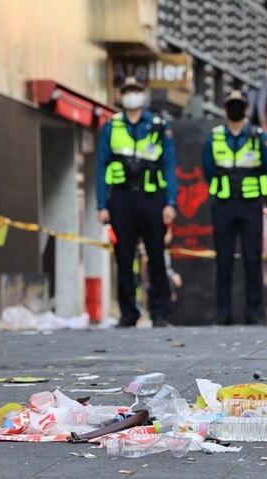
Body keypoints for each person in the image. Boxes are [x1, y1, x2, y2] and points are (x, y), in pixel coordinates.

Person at [96, 76, 178, 328]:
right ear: (122, 96)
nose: (132, 95)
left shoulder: (157, 125)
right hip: (121, 199)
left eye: (137, 90)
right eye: (128, 90)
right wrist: (102, 205)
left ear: (144, 95)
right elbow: (101, 167)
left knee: (156, 256)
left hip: (152, 199)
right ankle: (128, 313)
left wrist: (170, 203)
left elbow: (169, 166)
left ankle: (160, 313)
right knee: (124, 258)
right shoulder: (111, 127)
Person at [202, 90, 267, 325]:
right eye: (231, 104)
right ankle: (223, 312)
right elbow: (207, 168)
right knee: (223, 260)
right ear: (225, 109)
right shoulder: (214, 138)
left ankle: (253, 312)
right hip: (223, 204)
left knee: (252, 259)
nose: (235, 109)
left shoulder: (257, 136)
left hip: (250, 204)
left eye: (239, 105)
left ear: (245, 109)